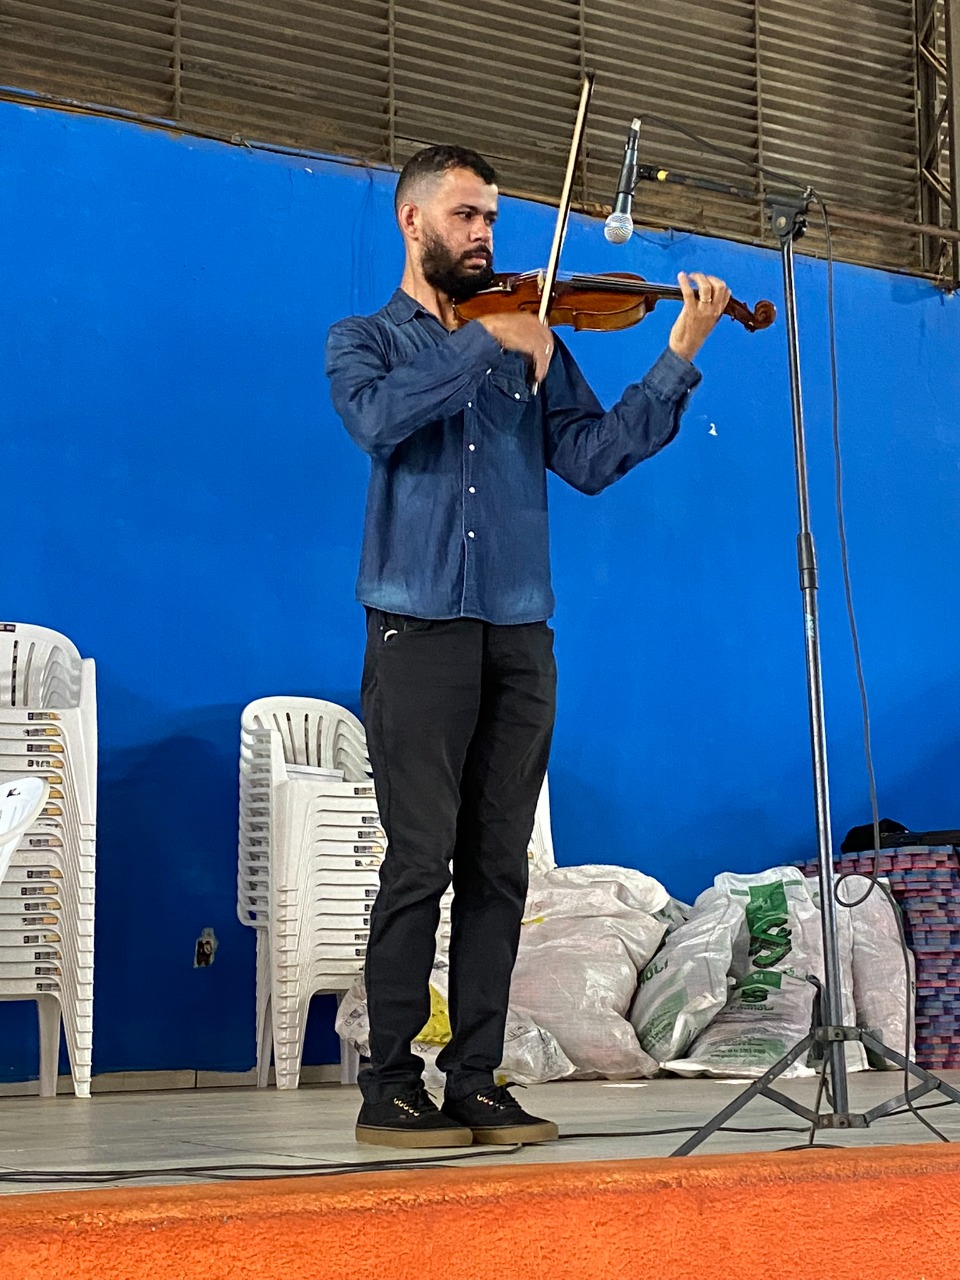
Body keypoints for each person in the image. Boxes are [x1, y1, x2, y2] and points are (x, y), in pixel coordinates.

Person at [325, 144, 731, 1149]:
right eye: (466, 216)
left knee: (500, 867)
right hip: (416, 628)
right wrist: (487, 340)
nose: (485, 236)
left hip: (518, 632)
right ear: (413, 222)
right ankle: (388, 1086)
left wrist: (676, 356)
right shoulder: (364, 341)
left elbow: (591, 457)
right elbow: (378, 423)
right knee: (418, 861)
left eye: (493, 220)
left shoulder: (533, 332)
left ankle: (476, 1079)